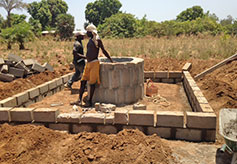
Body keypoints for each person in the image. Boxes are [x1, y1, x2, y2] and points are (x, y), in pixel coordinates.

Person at [71, 24, 113, 107]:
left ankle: (89, 101)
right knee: (83, 81)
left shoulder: (97, 40)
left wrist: (110, 59)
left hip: (94, 63)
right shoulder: (91, 40)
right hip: (88, 63)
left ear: (91, 32)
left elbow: (103, 50)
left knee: (92, 83)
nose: (86, 33)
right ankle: (79, 100)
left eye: (87, 32)